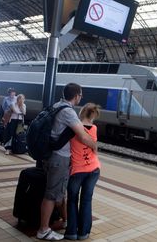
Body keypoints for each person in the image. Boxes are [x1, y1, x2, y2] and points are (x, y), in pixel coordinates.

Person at [37, 83, 97, 241]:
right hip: (59, 158)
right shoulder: (68, 112)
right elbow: (83, 136)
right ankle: (43, 229)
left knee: (58, 192)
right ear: (77, 96)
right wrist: (94, 146)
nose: (81, 98)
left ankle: (66, 221)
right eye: (81, 95)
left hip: (52, 155)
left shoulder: (57, 105)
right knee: (51, 194)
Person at [65, 103, 101, 241]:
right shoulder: (94, 128)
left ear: (81, 112)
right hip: (93, 169)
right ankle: (83, 233)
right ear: (93, 115)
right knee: (86, 200)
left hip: (77, 170)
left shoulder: (73, 127)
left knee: (72, 200)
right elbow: (94, 148)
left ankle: (71, 232)